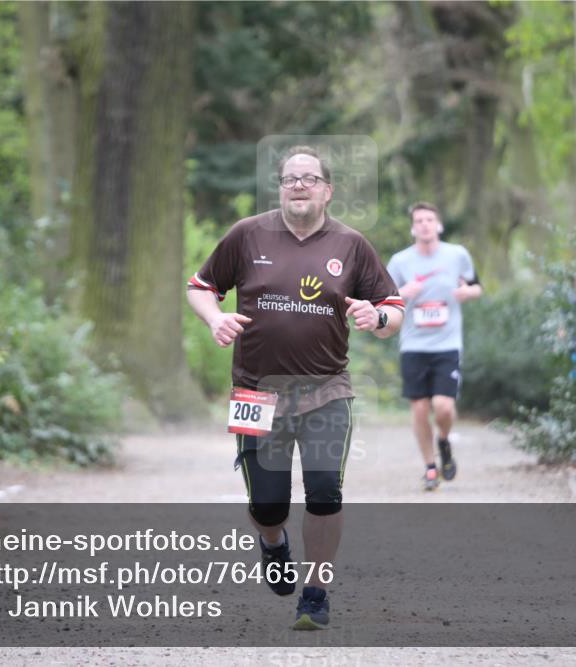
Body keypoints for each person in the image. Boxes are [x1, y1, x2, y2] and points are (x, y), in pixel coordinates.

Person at [186, 146, 404, 630]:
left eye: (309, 178)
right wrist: (215, 318)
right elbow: (200, 287)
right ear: (280, 188)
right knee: (268, 505)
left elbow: (393, 310)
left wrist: (377, 316)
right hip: (255, 392)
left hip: (326, 391)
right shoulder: (247, 235)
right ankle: (273, 542)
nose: (298, 185)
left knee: (325, 491)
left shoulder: (351, 245)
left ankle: (315, 593)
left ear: (328, 191)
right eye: (289, 179)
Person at [387, 202, 482, 491]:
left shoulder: (457, 255)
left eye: (429, 219)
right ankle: (430, 467)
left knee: (443, 406)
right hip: (413, 345)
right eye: (419, 220)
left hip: (447, 344)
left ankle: (444, 440)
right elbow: (384, 298)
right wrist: (404, 292)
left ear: (438, 225)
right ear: (413, 227)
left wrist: (467, 292)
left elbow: (477, 286)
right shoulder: (400, 262)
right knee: (419, 409)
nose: (425, 224)